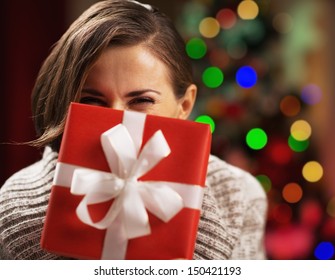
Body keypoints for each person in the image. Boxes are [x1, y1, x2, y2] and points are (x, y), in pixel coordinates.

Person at [0, 0, 267, 260]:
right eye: (92, 100)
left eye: (141, 100)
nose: (117, 122)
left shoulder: (240, 196)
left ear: (184, 105)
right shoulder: (15, 203)